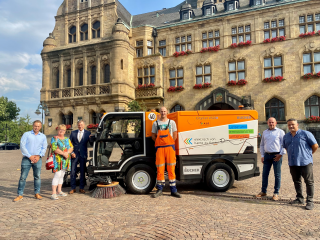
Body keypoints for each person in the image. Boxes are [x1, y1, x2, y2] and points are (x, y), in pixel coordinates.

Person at [283, 119, 318, 210]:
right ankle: (299, 198)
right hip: (293, 162)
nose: (291, 126)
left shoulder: (306, 134)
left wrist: (308, 155)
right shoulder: (286, 136)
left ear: (297, 125)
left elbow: (315, 146)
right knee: (297, 181)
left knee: (309, 182)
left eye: (293, 124)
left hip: (305, 162)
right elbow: (286, 148)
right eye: (289, 125)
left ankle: (310, 201)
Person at [13, 120, 47, 202]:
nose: (37, 127)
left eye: (38, 126)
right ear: (33, 126)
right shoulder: (26, 134)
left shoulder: (43, 136)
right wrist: (30, 156)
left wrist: (39, 156)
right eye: (35, 126)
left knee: (37, 176)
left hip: (38, 158)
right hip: (27, 158)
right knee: (23, 177)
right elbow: (22, 145)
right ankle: (20, 194)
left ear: (40, 127)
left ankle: (37, 193)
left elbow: (44, 147)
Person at [151, 107, 181, 198]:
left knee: (171, 169)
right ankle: (160, 189)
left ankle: (173, 190)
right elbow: (153, 136)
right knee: (160, 170)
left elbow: (175, 134)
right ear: (159, 113)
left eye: (164, 111)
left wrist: (170, 141)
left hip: (169, 148)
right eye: (161, 111)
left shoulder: (172, 122)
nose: (163, 112)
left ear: (167, 112)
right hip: (159, 148)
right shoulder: (155, 123)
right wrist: (159, 142)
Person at [256, 117, 286, 201]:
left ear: (276, 123)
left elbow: (284, 144)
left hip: (277, 155)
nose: (271, 124)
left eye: (273, 122)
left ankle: (276, 193)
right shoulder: (265, 132)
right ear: (267, 123)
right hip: (267, 155)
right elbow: (261, 145)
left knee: (277, 175)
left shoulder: (280, 132)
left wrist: (280, 154)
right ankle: (263, 191)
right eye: (270, 122)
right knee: (265, 174)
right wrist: (262, 155)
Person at [50, 124, 74, 200]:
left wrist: (67, 153)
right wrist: (63, 153)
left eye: (63, 130)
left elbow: (71, 147)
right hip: (58, 160)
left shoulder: (67, 139)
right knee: (57, 175)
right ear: (58, 130)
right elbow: (54, 148)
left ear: (65, 131)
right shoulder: (54, 138)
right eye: (60, 130)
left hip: (65, 160)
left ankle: (59, 191)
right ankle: (53, 193)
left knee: (62, 175)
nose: (61, 131)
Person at [69, 120, 91, 194]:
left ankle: (81, 187)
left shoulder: (88, 133)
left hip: (83, 154)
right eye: (79, 125)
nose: (80, 126)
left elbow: (91, 143)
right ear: (77, 125)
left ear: (84, 125)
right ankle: (73, 187)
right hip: (74, 154)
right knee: (73, 171)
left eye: (81, 125)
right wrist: (71, 152)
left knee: (82, 171)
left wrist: (91, 138)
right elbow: (69, 144)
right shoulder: (73, 133)